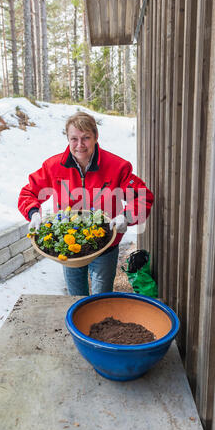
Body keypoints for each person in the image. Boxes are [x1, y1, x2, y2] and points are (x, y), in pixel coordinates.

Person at [18, 112, 154, 296]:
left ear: (96, 137)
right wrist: (33, 212)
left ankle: (99, 322)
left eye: (86, 138)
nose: (79, 145)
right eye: (74, 139)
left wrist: (126, 216)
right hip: (69, 245)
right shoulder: (53, 166)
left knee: (100, 297)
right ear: (67, 138)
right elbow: (29, 192)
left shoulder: (117, 166)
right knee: (76, 298)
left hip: (105, 243)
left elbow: (143, 196)